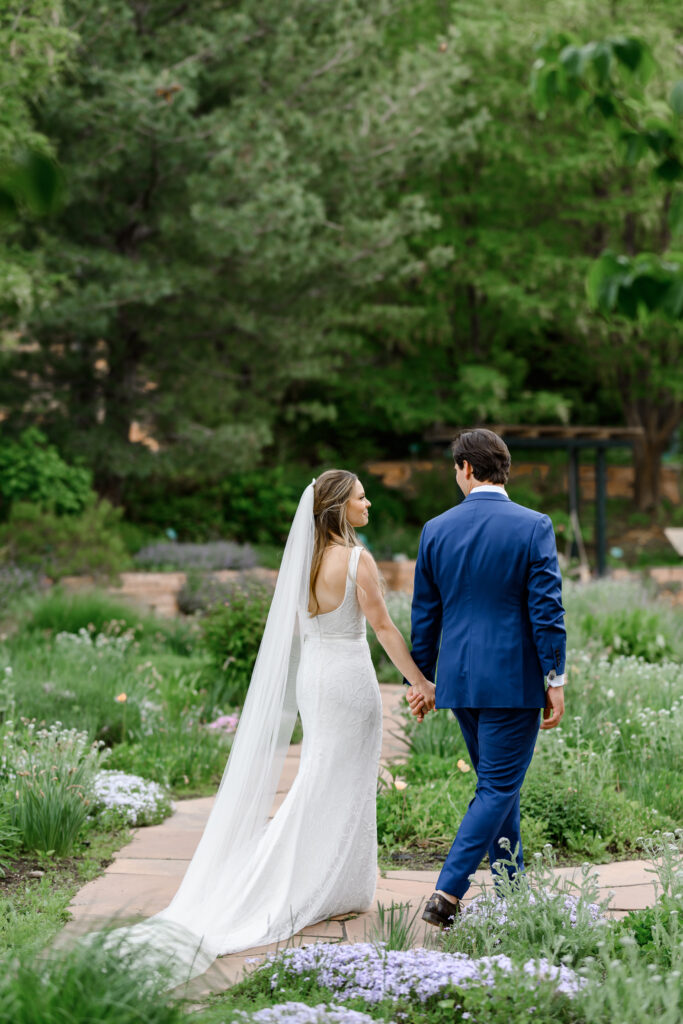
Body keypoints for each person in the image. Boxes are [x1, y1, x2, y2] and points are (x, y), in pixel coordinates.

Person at [81, 469, 433, 987]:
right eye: (361, 497)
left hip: (315, 678)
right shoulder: (357, 560)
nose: (369, 504)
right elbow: (381, 626)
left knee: (323, 776)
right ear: (338, 506)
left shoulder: (304, 562)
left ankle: (337, 884)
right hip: (348, 680)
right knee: (339, 781)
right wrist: (421, 681)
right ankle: (308, 884)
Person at [405, 428, 566, 928]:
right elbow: (547, 608)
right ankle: (447, 892)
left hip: (459, 680)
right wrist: (555, 675)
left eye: (455, 469)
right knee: (498, 787)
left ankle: (512, 893)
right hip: (513, 681)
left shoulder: (435, 529)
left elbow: (424, 613)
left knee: (499, 787)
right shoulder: (533, 525)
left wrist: (423, 680)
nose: (456, 477)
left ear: (468, 468)